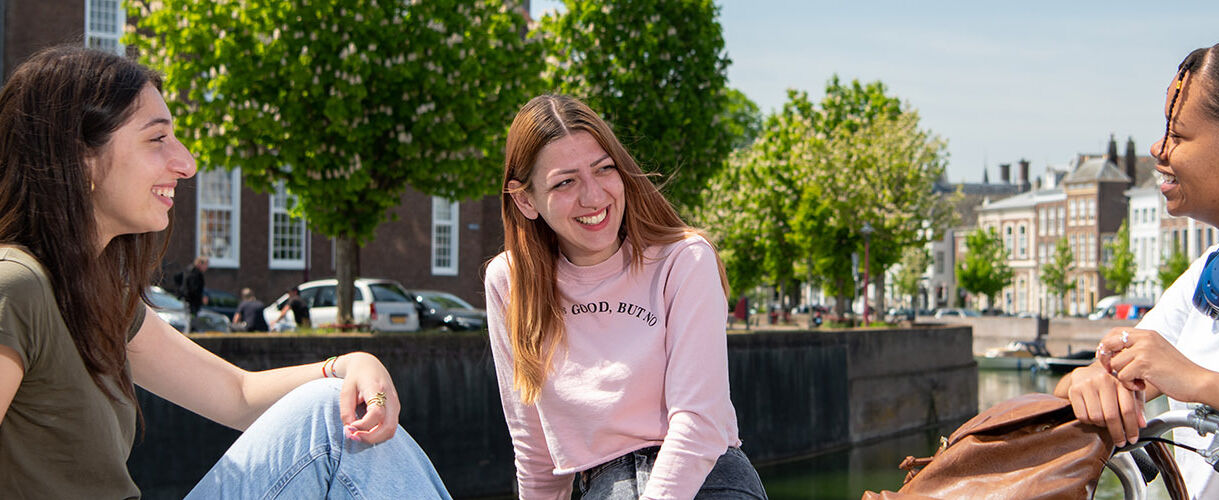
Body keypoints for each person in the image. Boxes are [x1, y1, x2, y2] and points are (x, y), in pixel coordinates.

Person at [0, 46, 451, 498]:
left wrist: (350, 364)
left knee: (330, 413)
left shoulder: (96, 295)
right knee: (329, 426)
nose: (187, 163)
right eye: (158, 139)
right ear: (80, 156)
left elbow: (237, 395)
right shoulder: (15, 287)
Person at [485, 94, 767, 499]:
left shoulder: (683, 260)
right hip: (603, 485)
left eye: (604, 169)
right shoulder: (510, 282)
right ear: (525, 199)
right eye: (565, 182)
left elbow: (699, 422)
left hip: (708, 479)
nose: (594, 196)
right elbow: (534, 450)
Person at [1054, 33, 1219, 497]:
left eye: (1179, 134)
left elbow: (1183, 376)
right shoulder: (1208, 275)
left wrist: (1200, 383)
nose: (1158, 149)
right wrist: (1088, 383)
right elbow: (1088, 384)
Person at [181, 255, 207, 332]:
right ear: (200, 264)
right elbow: (193, 288)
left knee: (192, 319)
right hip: (192, 302)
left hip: (191, 301)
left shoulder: (191, 271)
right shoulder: (194, 273)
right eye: (205, 265)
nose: (206, 268)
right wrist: (201, 298)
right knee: (192, 320)